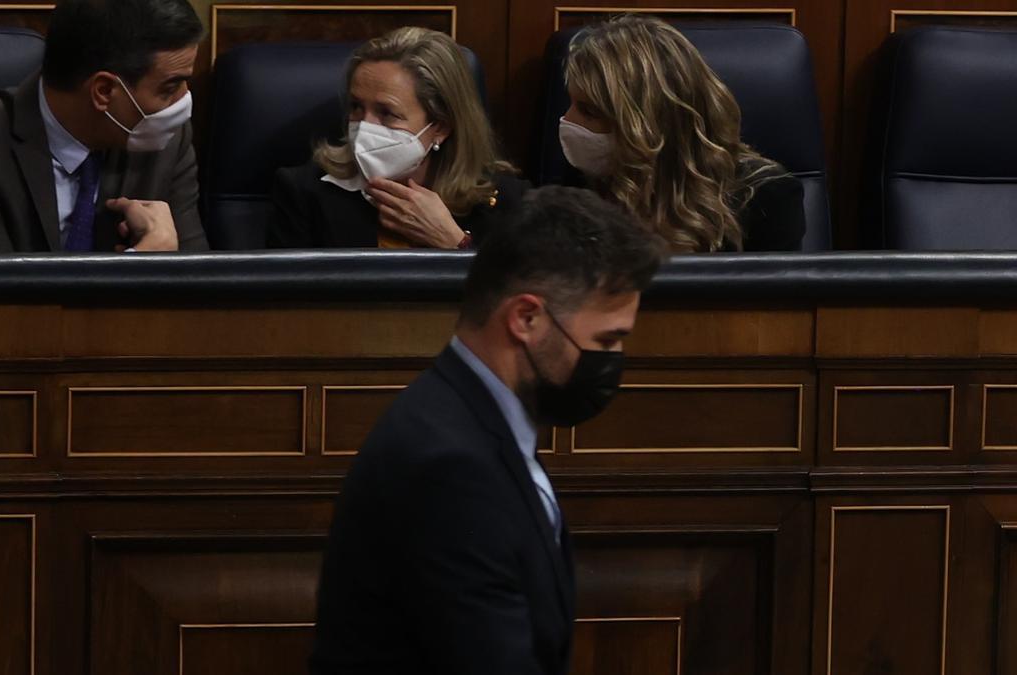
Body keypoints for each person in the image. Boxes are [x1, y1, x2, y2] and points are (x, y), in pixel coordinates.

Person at [310, 185, 666, 675]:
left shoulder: (473, 423)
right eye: (605, 340)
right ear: (526, 318)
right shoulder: (451, 467)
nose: (612, 363)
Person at [0, 0, 209, 256]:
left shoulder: (166, 141)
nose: (183, 102)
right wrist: (143, 268)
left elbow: (202, 301)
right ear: (103, 91)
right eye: (170, 87)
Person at [559, 14, 805, 252]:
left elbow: (773, 293)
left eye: (589, 112)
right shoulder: (581, 183)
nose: (568, 121)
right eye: (570, 104)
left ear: (649, 126)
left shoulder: (767, 198)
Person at [270, 27, 528, 250]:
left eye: (386, 113)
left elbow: (522, 298)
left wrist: (456, 244)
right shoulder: (305, 193)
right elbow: (285, 301)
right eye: (356, 107)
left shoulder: (506, 201)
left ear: (440, 126)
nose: (364, 126)